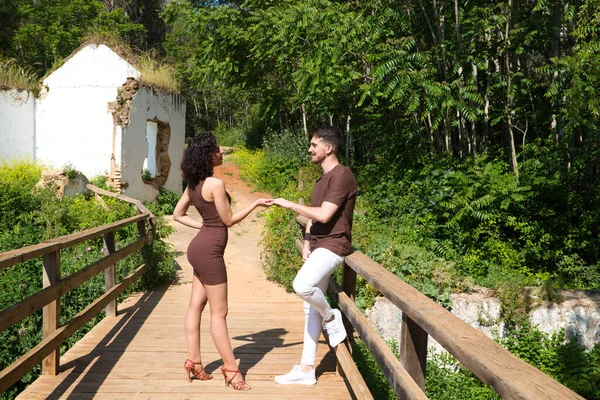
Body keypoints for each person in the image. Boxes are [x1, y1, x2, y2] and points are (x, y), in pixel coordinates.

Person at [173, 133, 272, 391]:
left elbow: (177, 214)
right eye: (217, 150)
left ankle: (194, 362)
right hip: (210, 252)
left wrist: (203, 226)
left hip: (198, 248)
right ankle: (231, 369)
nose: (221, 153)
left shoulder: (192, 184)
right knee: (220, 313)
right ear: (208, 155)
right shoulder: (215, 184)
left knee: (196, 306)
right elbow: (227, 220)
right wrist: (255, 204)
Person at [272, 126, 357, 385]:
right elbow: (313, 217)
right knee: (309, 309)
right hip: (319, 245)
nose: (309, 149)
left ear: (328, 148)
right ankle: (307, 369)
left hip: (334, 245)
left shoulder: (341, 176)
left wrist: (288, 203)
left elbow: (323, 215)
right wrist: (307, 241)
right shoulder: (321, 180)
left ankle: (331, 316)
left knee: (302, 285)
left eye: (313, 144)